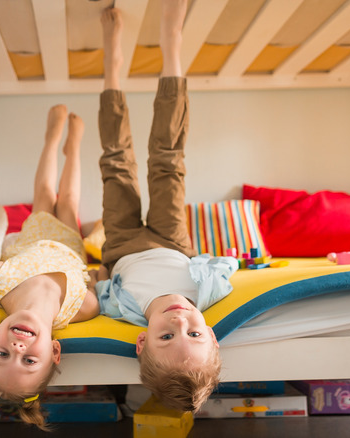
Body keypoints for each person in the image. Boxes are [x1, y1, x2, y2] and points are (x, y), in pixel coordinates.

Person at [94, 1, 239, 413]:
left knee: (116, 163)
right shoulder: (206, 294)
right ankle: (171, 44)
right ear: (211, 335)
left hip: (121, 244)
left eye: (166, 338)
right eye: (194, 335)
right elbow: (225, 265)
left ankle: (112, 63)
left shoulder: (124, 311)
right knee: (167, 159)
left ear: (142, 341)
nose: (180, 323)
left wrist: (98, 271)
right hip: (172, 240)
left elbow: (101, 284)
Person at [0, 105, 99, 437]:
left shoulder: (0, 283)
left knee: (44, 194)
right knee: (69, 200)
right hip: (70, 245)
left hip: (36, 236)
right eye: (30, 361)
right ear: (54, 351)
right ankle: (73, 149)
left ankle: (51, 139)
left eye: (2, 354)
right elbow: (95, 290)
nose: (17, 350)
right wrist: (101, 276)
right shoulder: (79, 310)